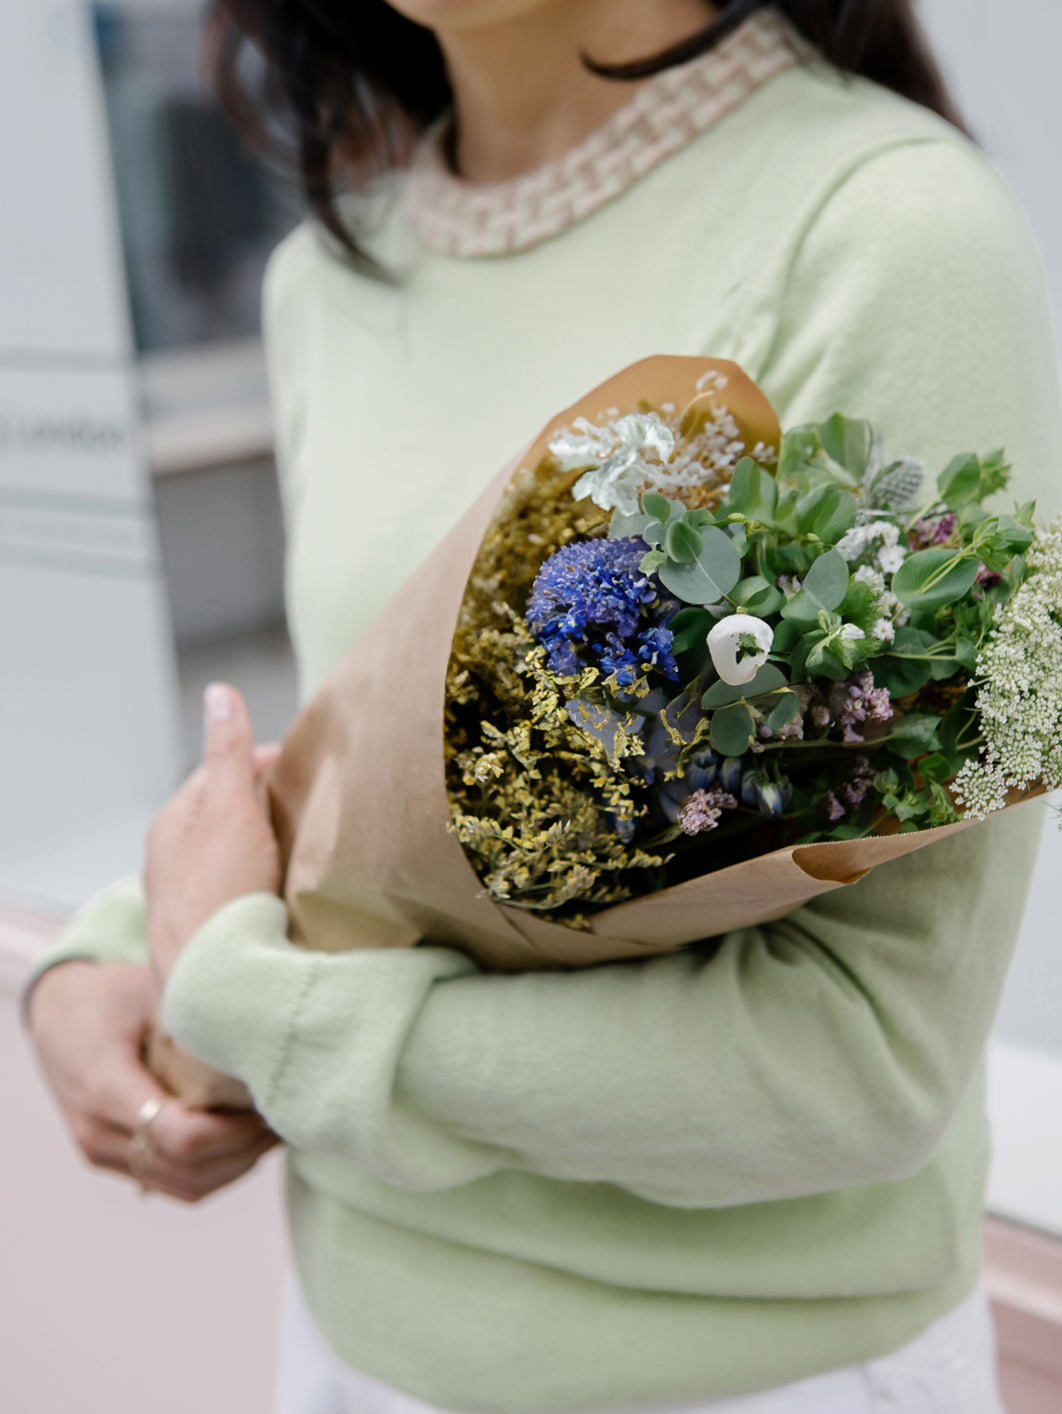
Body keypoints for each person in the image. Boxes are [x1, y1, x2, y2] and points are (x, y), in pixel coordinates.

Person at [26, 1, 1062, 1411]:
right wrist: (104, 959)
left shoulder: (879, 232)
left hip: (755, 1378)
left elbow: (865, 1060)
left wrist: (252, 1002)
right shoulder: (329, 277)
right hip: (345, 1342)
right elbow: (347, 792)